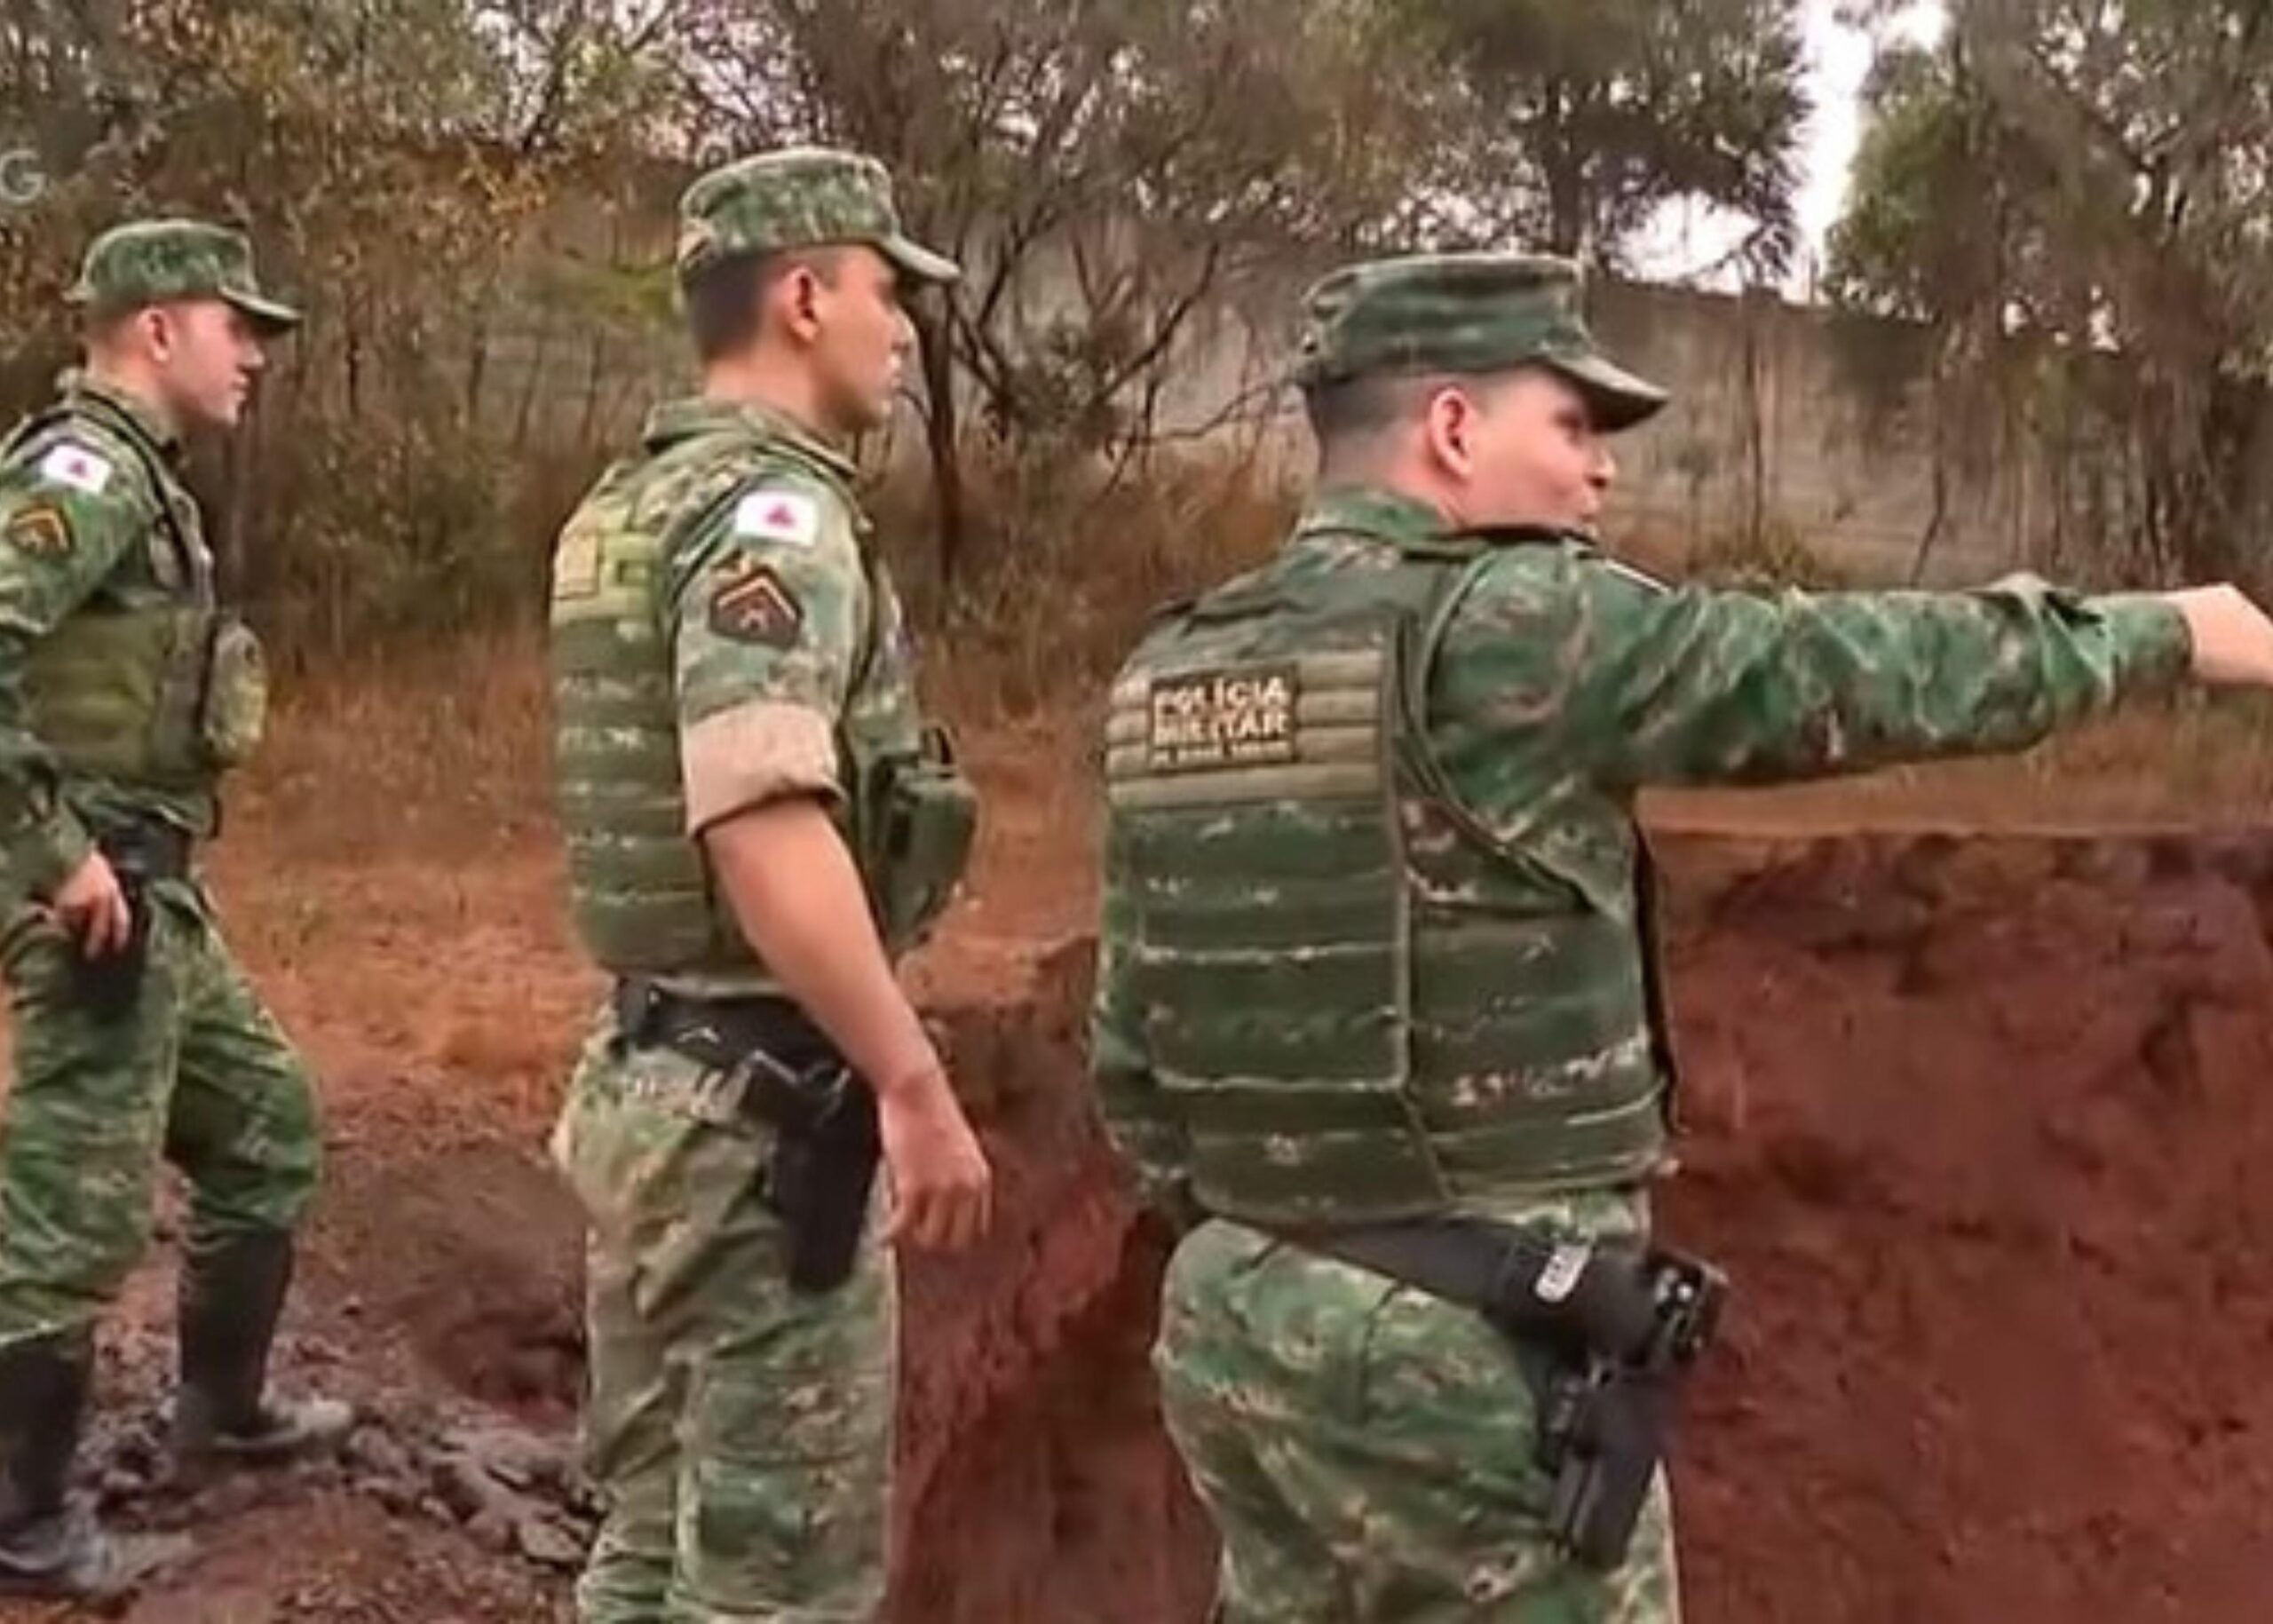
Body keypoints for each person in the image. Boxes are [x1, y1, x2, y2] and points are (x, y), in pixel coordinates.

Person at [1090, 250, 2273, 1622]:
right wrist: (2159, 632)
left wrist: (1291, 1243)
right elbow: (1846, 672)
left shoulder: (1176, 667)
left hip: (1235, 1325)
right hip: (1466, 1345)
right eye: (1572, 423)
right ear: (1452, 427)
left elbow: (1132, 1056)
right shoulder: (1521, 621)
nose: (1602, 469)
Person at [547, 147, 994, 1622]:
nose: (903, 328)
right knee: (777, 1588)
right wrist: (910, 1078)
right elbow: (759, 817)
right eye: (884, 291)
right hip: (762, 1125)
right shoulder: (773, 519)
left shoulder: (631, 502)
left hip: (649, 1080)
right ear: (803, 299)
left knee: (648, 1541)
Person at [0, 218, 349, 1600]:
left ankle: (223, 1410)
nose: (253, 351)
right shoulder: (81, 473)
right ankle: (25, 1524)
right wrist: (54, 853)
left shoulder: (148, 481)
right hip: (95, 904)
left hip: (158, 898)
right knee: (70, 1210)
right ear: (157, 327)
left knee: (266, 1124)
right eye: (234, 323)